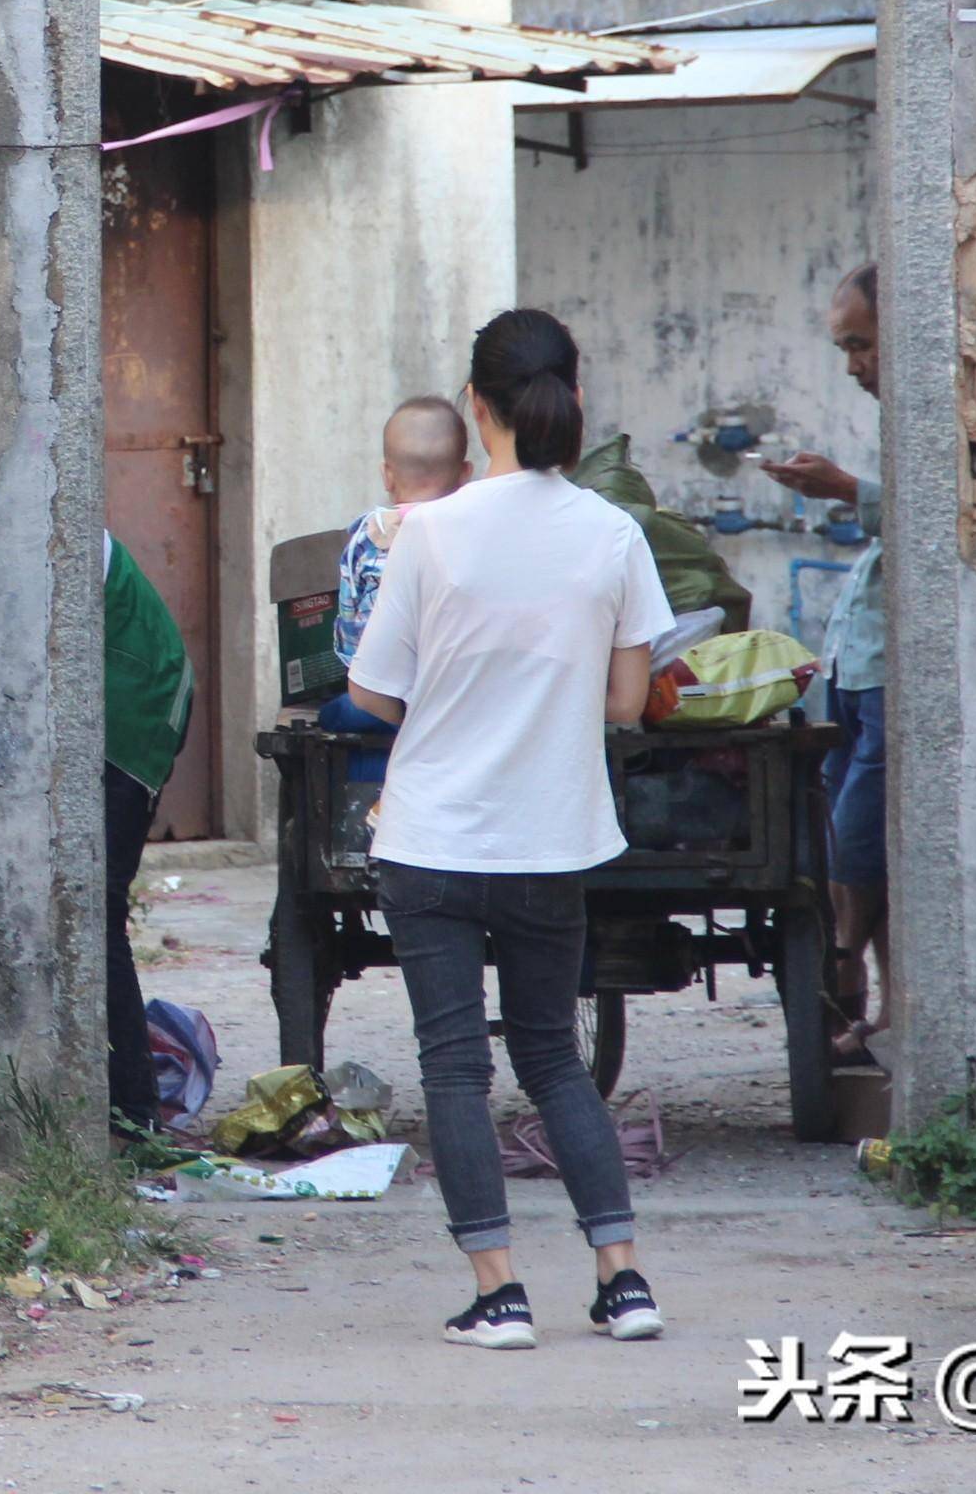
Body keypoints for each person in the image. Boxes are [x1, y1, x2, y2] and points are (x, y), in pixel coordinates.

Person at [344, 309, 672, 1351]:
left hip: (432, 839)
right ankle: (622, 1281)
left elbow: (372, 692)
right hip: (552, 841)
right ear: (572, 397)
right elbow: (628, 702)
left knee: (453, 1069)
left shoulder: (430, 533)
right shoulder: (613, 533)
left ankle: (499, 1294)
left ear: (475, 405)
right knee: (555, 1062)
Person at [760, 263, 887, 1060]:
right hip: (853, 662)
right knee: (846, 843)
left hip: (880, 675)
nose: (853, 367)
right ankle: (859, 996)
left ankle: (847, 982)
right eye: (845, 349)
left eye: (861, 346)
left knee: (860, 841)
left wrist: (846, 487)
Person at [101, 529, 192, 1148]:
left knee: (94, 913)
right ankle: (130, 1110)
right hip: (130, 696)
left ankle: (134, 1115)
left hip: (133, 710)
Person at [318, 395, 471, 748]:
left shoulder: (365, 537)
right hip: (455, 701)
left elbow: (348, 641)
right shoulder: (472, 533)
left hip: (382, 704)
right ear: (465, 473)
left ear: (387, 474)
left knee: (337, 715)